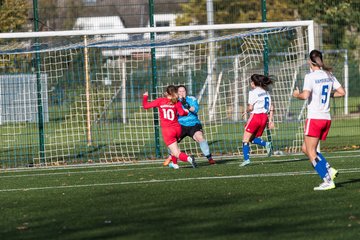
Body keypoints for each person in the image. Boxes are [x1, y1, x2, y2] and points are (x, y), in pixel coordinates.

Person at [293, 49, 345, 191]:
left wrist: (297, 94)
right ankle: (329, 169)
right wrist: (329, 95)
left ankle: (327, 179)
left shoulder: (310, 76)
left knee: (310, 152)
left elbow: (304, 96)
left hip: (315, 118)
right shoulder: (329, 74)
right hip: (326, 118)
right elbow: (342, 92)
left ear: (310, 61)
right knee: (306, 148)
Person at [142, 85, 197, 169]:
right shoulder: (176, 102)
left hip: (168, 130)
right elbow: (182, 113)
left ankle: (189, 159)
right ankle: (175, 164)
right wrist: (186, 112)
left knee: (176, 152)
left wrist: (145, 96)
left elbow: (145, 106)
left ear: (167, 92)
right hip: (178, 128)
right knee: (173, 148)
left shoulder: (160, 100)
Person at [163, 85, 215, 166]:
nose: (181, 93)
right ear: (176, 93)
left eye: (183, 91)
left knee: (200, 137)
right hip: (180, 125)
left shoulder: (192, 99)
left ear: (186, 92)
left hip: (193, 124)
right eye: (179, 91)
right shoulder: (174, 101)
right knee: (173, 140)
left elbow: (195, 110)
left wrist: (186, 105)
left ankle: (209, 158)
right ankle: (171, 157)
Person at [240, 74, 274, 167]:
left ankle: (246, 160)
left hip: (256, 116)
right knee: (251, 138)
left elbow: (250, 108)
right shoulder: (266, 92)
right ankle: (266, 144)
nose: (250, 83)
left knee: (245, 139)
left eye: (251, 81)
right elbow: (271, 106)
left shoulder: (253, 92)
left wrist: (245, 111)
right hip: (264, 118)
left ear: (254, 83)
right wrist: (270, 120)